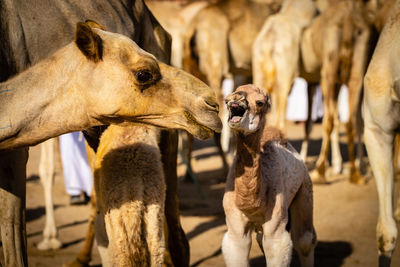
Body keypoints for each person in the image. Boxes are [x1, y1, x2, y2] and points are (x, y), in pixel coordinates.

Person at [59, 131, 93, 205]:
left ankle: (90, 191)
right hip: (67, 129)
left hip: (86, 127)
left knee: (87, 154)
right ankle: (74, 192)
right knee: (69, 153)